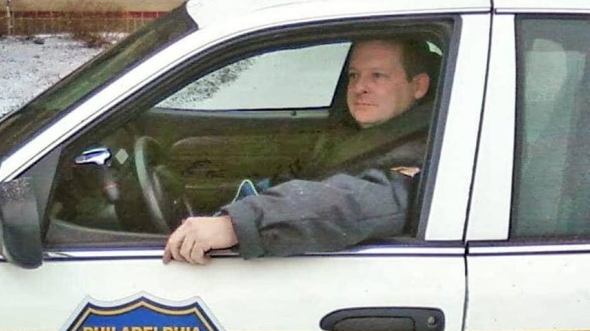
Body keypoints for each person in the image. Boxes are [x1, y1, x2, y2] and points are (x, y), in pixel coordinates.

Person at [162, 38, 436, 265]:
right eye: (354, 75)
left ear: (419, 86)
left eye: (378, 76)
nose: (360, 87)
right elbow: (299, 179)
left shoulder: (426, 150)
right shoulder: (355, 137)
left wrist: (236, 224)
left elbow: (353, 203)